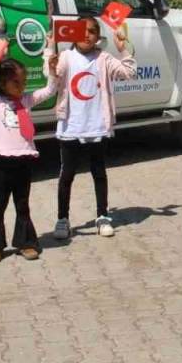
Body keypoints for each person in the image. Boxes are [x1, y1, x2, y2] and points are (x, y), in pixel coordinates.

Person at [0, 51, 59, 262]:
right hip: (0, 162)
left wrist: (51, 68)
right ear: (1, 82)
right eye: (16, 82)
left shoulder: (27, 100)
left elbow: (51, 90)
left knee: (22, 203)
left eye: (23, 81)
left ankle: (26, 242)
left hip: (23, 160)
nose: (21, 86)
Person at [52, 16, 135, 241]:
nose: (86, 34)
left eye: (91, 31)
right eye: (81, 29)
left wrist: (123, 49)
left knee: (99, 172)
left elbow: (128, 73)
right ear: (72, 33)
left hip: (97, 126)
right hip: (72, 126)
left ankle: (102, 216)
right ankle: (63, 219)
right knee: (66, 174)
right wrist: (49, 51)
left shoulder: (104, 58)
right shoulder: (67, 57)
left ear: (98, 37)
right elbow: (53, 77)